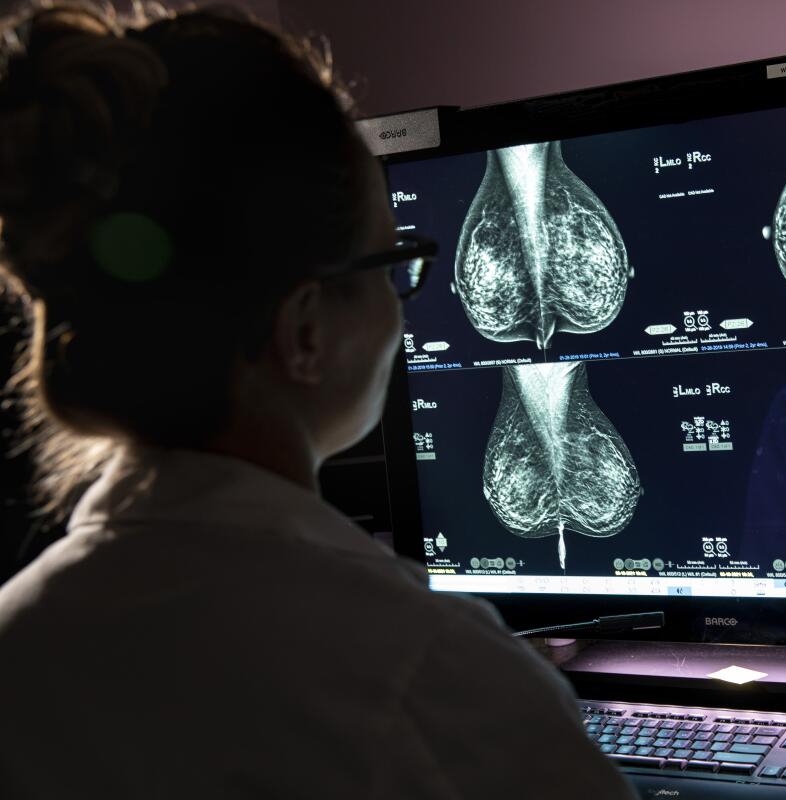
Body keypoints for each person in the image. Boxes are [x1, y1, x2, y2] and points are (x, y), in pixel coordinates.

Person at [0, 5, 634, 798]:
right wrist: (491, 693)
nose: (404, 307)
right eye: (395, 262)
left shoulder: (19, 639)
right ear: (304, 330)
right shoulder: (432, 681)